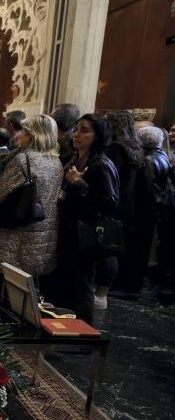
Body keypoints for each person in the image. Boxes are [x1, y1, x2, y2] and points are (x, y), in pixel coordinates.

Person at [0, 115, 64, 296]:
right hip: (44, 231)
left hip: (17, 231)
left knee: (8, 286)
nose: (20, 135)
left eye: (25, 131)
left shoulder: (24, 160)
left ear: (33, 135)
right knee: (29, 287)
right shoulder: (56, 161)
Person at [58, 114, 119, 322]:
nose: (77, 134)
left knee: (82, 285)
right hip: (70, 229)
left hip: (88, 233)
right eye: (76, 129)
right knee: (69, 283)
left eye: (84, 130)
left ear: (97, 135)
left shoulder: (101, 164)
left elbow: (111, 204)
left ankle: (82, 335)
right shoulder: (75, 159)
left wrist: (80, 185)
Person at [124, 126, 173, 293]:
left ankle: (131, 285)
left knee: (138, 250)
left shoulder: (148, 161)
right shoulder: (163, 156)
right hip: (154, 211)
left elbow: (146, 190)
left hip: (144, 212)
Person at [105, 110, 145, 295]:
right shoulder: (134, 146)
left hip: (115, 205)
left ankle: (105, 288)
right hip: (128, 205)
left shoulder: (116, 149)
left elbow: (111, 181)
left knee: (108, 250)